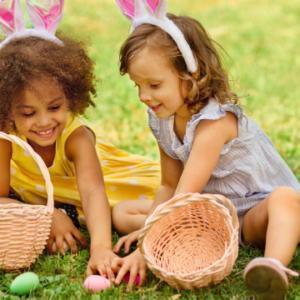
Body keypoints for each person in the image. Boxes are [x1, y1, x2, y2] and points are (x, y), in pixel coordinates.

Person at [111, 0, 300, 297]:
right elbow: (170, 184)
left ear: (192, 74)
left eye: (154, 85)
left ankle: (272, 266)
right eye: (138, 86)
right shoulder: (161, 119)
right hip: (211, 215)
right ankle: (194, 235)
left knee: (286, 199)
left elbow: (185, 193)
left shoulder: (214, 122)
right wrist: (151, 229)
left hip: (254, 214)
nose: (143, 96)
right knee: (122, 212)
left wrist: (145, 247)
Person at [0, 0, 160, 280]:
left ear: (71, 97)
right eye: (27, 112)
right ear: (6, 108)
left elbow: (93, 192)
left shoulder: (76, 136)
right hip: (60, 203)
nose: (44, 122)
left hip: (113, 183)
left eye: (54, 107)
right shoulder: (5, 136)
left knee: (133, 212)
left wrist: (100, 249)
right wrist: (46, 216)